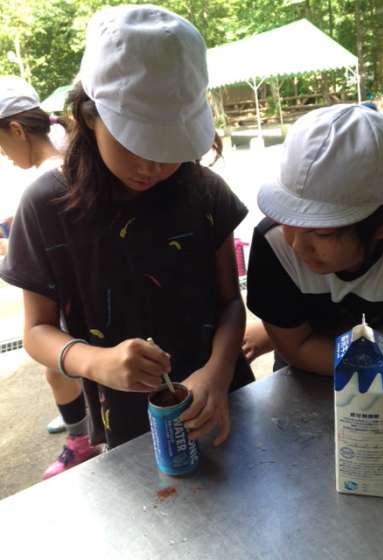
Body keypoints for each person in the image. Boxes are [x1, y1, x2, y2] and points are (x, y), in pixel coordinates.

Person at [0, 4, 254, 453]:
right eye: (135, 142)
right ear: (89, 115)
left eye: (168, 145)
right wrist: (96, 361)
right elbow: (37, 331)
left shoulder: (204, 192)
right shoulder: (46, 206)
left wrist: (217, 373)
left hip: (222, 397)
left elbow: (230, 303)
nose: (152, 165)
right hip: (125, 417)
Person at [246, 103, 383, 383]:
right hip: (303, 382)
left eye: (322, 233)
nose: (297, 245)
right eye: (287, 220)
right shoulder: (273, 243)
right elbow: (296, 350)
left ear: (382, 226)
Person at [0, 75, 97, 478]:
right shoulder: (66, 164)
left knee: (58, 365)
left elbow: (31, 252)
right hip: (76, 291)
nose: (3, 155)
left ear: (17, 130)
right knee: (61, 368)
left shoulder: (40, 185)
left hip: (65, 296)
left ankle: (82, 438)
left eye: (1, 143)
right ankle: (83, 430)